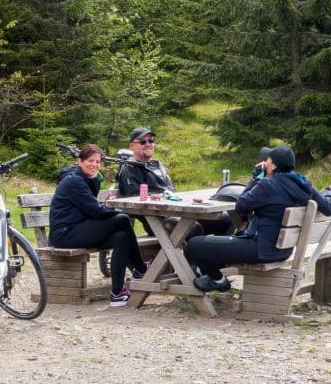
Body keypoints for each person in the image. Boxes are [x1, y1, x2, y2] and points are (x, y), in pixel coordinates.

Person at [185, 145, 331, 292]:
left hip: (260, 249)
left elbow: (241, 206)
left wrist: (257, 178)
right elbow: (329, 208)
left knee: (194, 245)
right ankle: (213, 276)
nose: (265, 162)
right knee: (220, 241)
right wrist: (328, 193)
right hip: (282, 250)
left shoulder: (268, 185)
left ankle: (219, 281)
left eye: (268, 159)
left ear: (274, 165)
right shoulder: (304, 185)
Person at [49, 143, 148, 307]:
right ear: (79, 161)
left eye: (97, 162)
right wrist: (115, 210)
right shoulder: (74, 181)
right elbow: (95, 211)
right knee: (122, 219)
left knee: (121, 237)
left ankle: (117, 293)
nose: (94, 165)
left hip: (79, 228)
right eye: (90, 161)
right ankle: (140, 268)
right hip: (65, 234)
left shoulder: (83, 178)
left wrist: (97, 180)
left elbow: (91, 207)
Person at [116, 127, 232, 237]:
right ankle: (189, 257)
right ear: (132, 146)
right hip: (157, 221)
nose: (148, 144)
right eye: (143, 142)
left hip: (178, 213)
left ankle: (215, 256)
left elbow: (172, 192)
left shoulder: (157, 165)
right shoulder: (129, 169)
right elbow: (135, 202)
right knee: (193, 228)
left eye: (151, 141)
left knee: (226, 220)